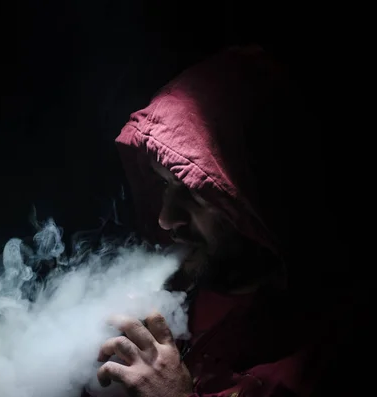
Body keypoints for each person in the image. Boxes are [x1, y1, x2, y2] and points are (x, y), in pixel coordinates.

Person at [86, 45, 346, 397]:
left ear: (258, 195)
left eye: (193, 191)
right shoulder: (186, 290)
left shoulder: (335, 351)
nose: (165, 219)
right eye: (163, 183)